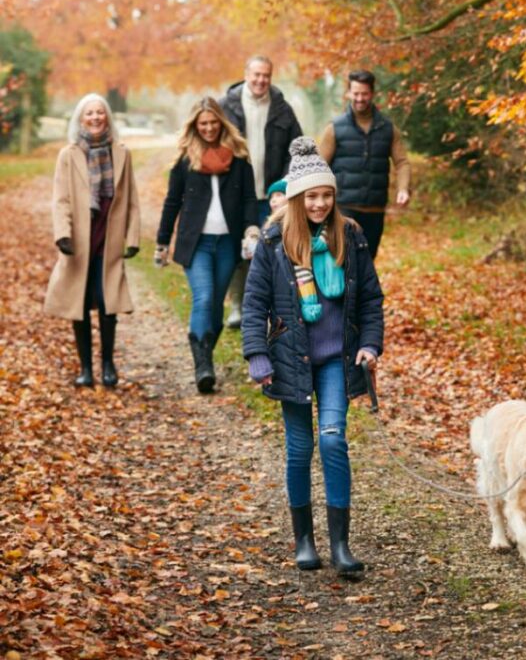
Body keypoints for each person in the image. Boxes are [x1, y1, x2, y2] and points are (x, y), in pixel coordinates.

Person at [242, 137, 384, 575]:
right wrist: (257, 357)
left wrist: (370, 344)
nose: (320, 204)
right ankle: (304, 540)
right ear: (298, 198)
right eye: (311, 196)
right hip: (290, 359)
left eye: (326, 195)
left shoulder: (352, 237)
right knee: (300, 449)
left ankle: (340, 546)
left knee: (333, 439)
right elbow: (254, 305)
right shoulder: (274, 241)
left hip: (337, 360)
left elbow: (370, 301)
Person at [155, 97, 259, 393]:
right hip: (196, 242)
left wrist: (251, 228)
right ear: (195, 126)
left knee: (215, 304)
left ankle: (205, 358)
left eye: (214, 122)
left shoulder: (238, 160)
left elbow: (250, 198)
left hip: (227, 242)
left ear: (221, 123)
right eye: (203, 124)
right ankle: (203, 366)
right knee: (203, 297)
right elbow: (172, 202)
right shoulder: (186, 161)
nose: (209, 128)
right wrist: (162, 242)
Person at [44, 93, 140, 388]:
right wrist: (62, 234)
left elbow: (132, 200)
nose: (96, 118)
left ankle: (108, 364)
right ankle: (86, 368)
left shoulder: (122, 152)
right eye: (90, 113)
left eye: (100, 113)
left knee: (108, 300)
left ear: (108, 117)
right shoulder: (69, 154)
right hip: (79, 241)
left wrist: (133, 236)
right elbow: (60, 199)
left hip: (108, 237)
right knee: (80, 302)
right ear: (80, 119)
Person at [218, 55, 303, 328]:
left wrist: (286, 183)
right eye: (256, 75)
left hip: (271, 195)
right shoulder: (225, 106)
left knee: (272, 249)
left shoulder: (282, 109)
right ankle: (237, 305)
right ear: (246, 74)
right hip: (235, 193)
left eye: (266, 75)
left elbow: (297, 148)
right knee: (239, 249)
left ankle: (272, 308)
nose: (260, 80)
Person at [318, 69, 411, 259]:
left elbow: (402, 162)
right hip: (343, 207)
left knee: (367, 261)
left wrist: (403, 189)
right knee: (344, 260)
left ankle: (361, 290)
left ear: (372, 94)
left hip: (375, 209)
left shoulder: (387, 128)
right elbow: (319, 166)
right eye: (356, 93)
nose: (360, 98)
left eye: (364, 94)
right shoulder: (335, 128)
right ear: (349, 93)